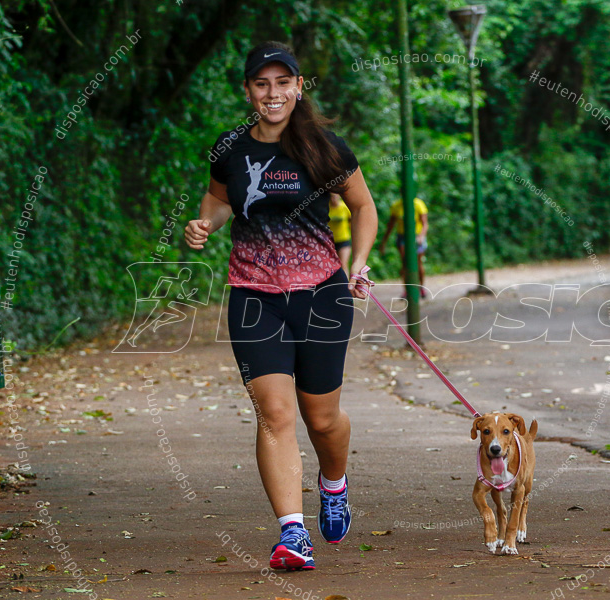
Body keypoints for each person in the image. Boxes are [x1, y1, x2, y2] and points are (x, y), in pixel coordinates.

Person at [184, 42, 377, 571]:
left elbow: (363, 207)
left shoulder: (324, 147)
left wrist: (357, 264)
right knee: (274, 414)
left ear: (298, 87)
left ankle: (333, 483)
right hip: (253, 297)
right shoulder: (228, 148)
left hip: (321, 296)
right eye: (261, 84)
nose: (273, 93)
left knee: (323, 418)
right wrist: (205, 225)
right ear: (248, 90)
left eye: (282, 83)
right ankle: (293, 534)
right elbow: (220, 202)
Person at [380, 195, 429, 296]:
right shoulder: (397, 206)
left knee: (418, 262)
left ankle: (421, 288)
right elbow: (391, 225)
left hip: (416, 237)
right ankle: (407, 289)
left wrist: (421, 236)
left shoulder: (418, 204)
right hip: (402, 237)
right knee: (405, 263)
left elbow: (425, 223)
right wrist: (384, 241)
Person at [328, 193, 353, 269]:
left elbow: (351, 223)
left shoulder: (344, 208)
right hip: (330, 241)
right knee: (332, 266)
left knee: (343, 263)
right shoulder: (326, 208)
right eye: (331, 197)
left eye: (335, 197)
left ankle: (346, 281)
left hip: (343, 239)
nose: (333, 199)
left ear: (339, 196)